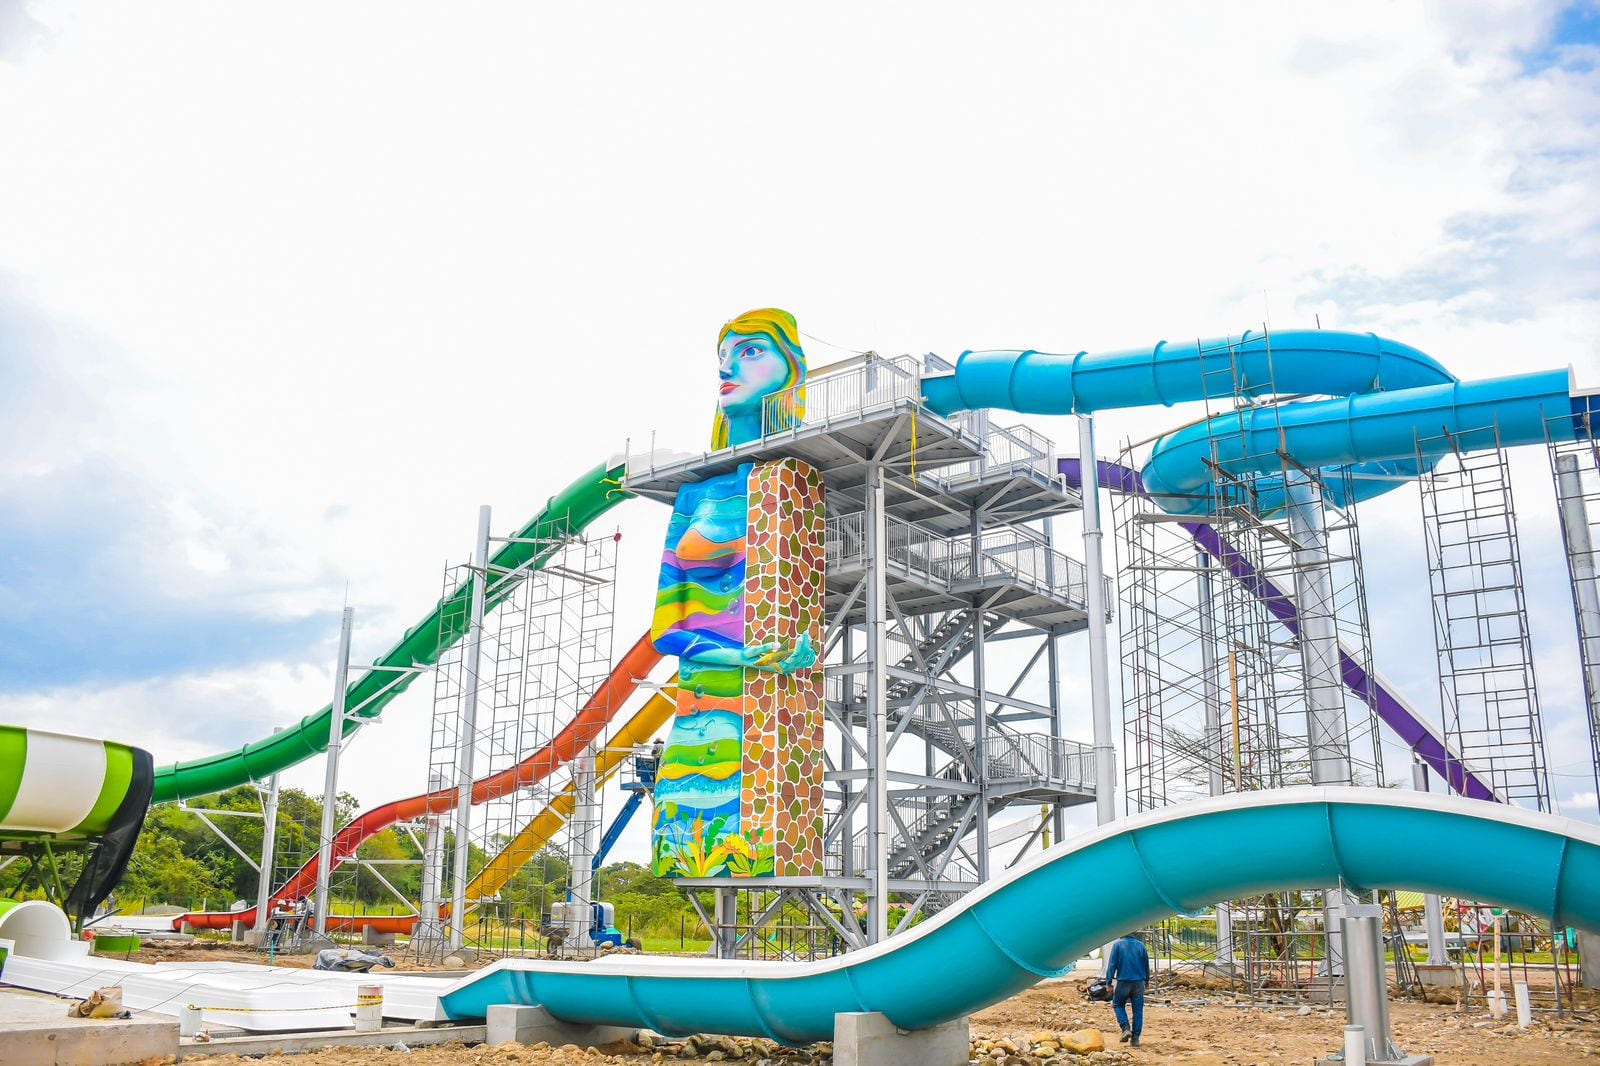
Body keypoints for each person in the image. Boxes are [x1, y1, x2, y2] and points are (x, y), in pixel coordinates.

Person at [1105, 931, 1150, 1047]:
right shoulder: (1141, 946)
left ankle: (1125, 1028)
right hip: (1139, 983)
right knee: (1138, 1010)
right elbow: (1146, 965)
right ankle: (1135, 1039)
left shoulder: (1118, 945)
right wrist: (1147, 981)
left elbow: (1112, 965)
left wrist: (1108, 983)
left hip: (1123, 981)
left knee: (1118, 1004)